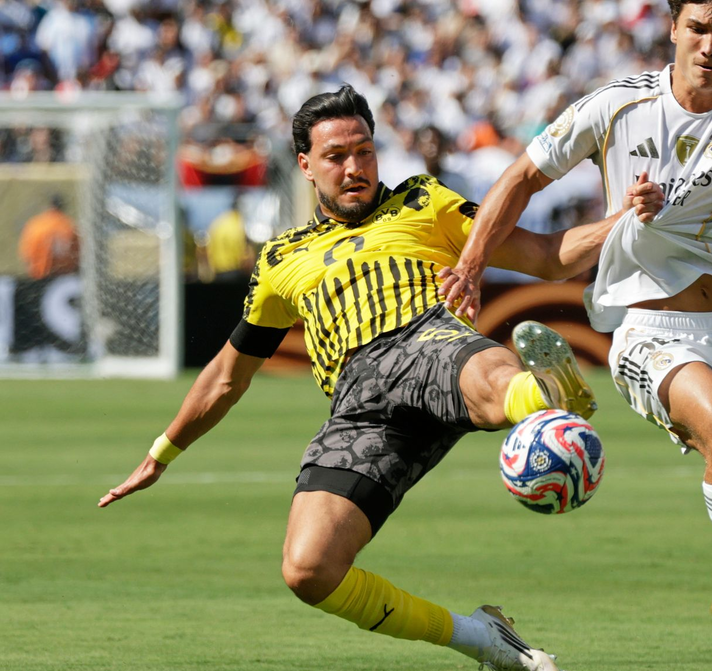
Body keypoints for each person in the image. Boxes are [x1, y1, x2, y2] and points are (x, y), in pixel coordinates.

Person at [98, 86, 664, 671]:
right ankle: (485, 639)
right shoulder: (279, 259)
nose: (354, 168)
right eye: (336, 156)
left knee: (476, 367)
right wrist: (162, 452)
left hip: (422, 336)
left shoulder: (424, 201)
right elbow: (224, 376)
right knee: (309, 568)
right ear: (306, 166)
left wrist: (624, 219)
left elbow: (548, 256)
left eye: (364, 152)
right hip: (359, 406)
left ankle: (541, 398)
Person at [439, 0, 712, 669]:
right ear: (672, 28)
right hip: (649, 326)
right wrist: (471, 264)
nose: (708, 45)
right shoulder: (616, 104)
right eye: (697, 27)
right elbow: (521, 175)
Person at [18, 194, 79, 280]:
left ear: (49, 206)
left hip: (39, 276)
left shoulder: (35, 225)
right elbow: (78, 255)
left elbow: (27, 254)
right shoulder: (69, 226)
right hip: (64, 278)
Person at [202, 190, 256, 282]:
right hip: (235, 272)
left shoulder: (217, 223)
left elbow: (207, 249)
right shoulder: (238, 223)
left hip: (218, 274)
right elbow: (245, 253)